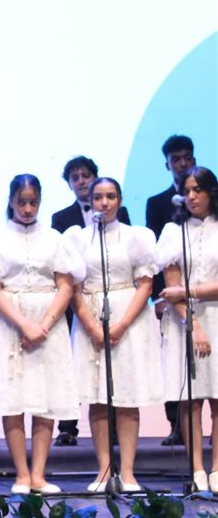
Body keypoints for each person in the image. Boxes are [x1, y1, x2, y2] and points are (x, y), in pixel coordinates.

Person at [0, 174, 84, 494]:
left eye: (33, 203)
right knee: (13, 399)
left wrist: (43, 326)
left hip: (48, 322)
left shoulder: (54, 238)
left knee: (45, 398)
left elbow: (66, 285)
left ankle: (39, 474)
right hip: (8, 323)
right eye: (22, 202)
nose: (27, 209)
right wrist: (24, 325)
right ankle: (21, 474)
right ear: (11, 201)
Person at [66, 177, 160, 492]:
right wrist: (92, 327)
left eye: (110, 197)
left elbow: (145, 284)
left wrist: (120, 326)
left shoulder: (135, 237)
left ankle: (128, 473)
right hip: (90, 318)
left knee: (127, 397)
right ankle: (104, 471)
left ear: (119, 200)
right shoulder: (78, 238)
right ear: (90, 201)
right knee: (97, 399)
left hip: (128, 318)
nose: (104, 203)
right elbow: (73, 288)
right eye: (98, 197)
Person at [50, 155, 131, 447]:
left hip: (112, 299)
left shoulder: (121, 215)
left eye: (86, 176)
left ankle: (114, 427)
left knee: (113, 365)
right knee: (75, 365)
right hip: (77, 300)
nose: (81, 181)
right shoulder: (61, 218)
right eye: (75, 177)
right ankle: (67, 426)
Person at [156, 166, 218, 491]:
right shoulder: (173, 232)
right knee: (191, 399)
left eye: (198, 190)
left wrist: (188, 291)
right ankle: (196, 469)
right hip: (185, 321)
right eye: (187, 190)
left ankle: (217, 468)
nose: (192, 196)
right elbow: (171, 289)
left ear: (211, 193)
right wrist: (193, 324)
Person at [147, 135, 196, 447]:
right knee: (174, 361)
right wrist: (158, 297)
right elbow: (157, 257)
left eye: (186, 157)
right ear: (167, 164)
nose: (182, 163)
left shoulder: (212, 195)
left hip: (206, 289)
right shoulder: (157, 203)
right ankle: (176, 424)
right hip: (172, 292)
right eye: (175, 159)